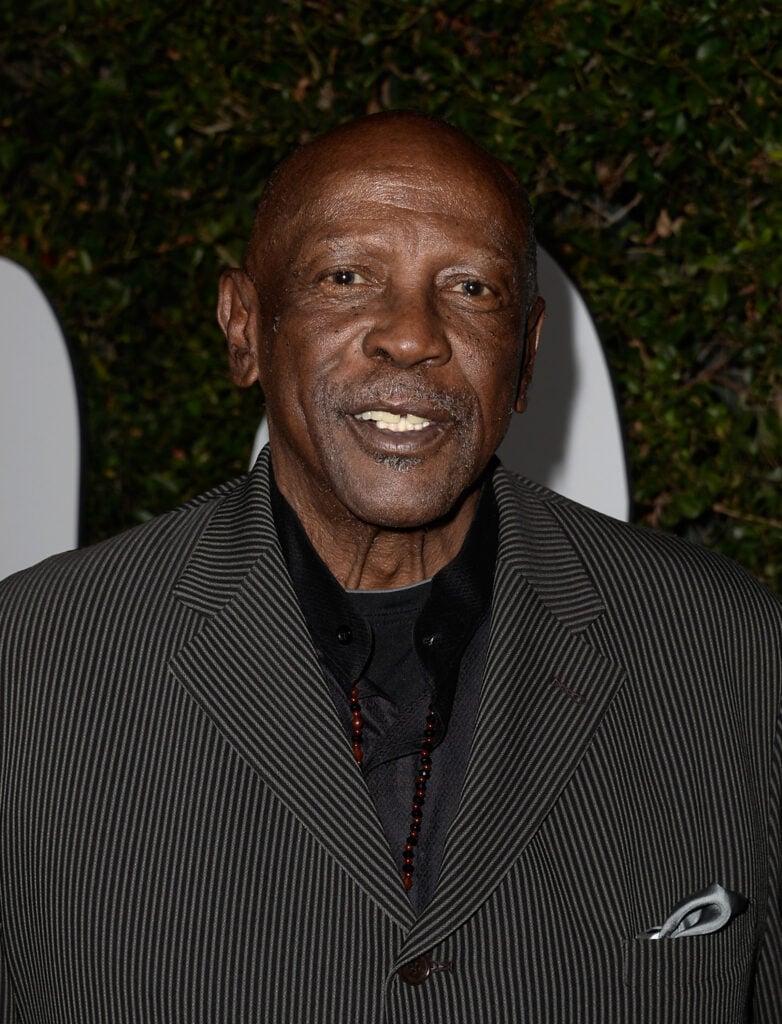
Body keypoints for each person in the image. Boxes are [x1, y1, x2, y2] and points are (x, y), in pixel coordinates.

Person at [1, 111, 779, 1023]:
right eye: (346, 276)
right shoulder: (34, 663)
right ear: (245, 326)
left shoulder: (734, 654)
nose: (412, 336)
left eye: (471, 288)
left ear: (526, 358)